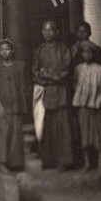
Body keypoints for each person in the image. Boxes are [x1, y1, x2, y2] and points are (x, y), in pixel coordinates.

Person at [32, 21, 74, 171]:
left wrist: (47, 73)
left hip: (61, 92)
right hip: (47, 93)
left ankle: (64, 161)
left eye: (51, 30)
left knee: (63, 128)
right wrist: (49, 75)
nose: (48, 33)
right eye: (45, 30)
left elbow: (65, 71)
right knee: (46, 127)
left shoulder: (64, 49)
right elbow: (36, 72)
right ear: (42, 32)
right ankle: (48, 160)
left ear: (57, 32)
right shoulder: (39, 50)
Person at [0, 39, 28, 171]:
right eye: (1, 50)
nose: (4, 52)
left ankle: (15, 162)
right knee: (4, 133)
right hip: (3, 105)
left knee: (16, 133)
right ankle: (1, 162)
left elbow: (23, 87)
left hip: (16, 104)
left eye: (7, 49)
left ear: (12, 50)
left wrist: (22, 104)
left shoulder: (20, 65)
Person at [72, 41, 101, 173]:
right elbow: (74, 82)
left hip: (95, 106)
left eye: (90, 52)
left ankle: (100, 165)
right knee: (84, 135)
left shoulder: (99, 69)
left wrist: (98, 100)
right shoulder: (78, 68)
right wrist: (80, 95)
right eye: (84, 52)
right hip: (82, 106)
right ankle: (87, 163)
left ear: (93, 54)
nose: (87, 55)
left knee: (97, 135)